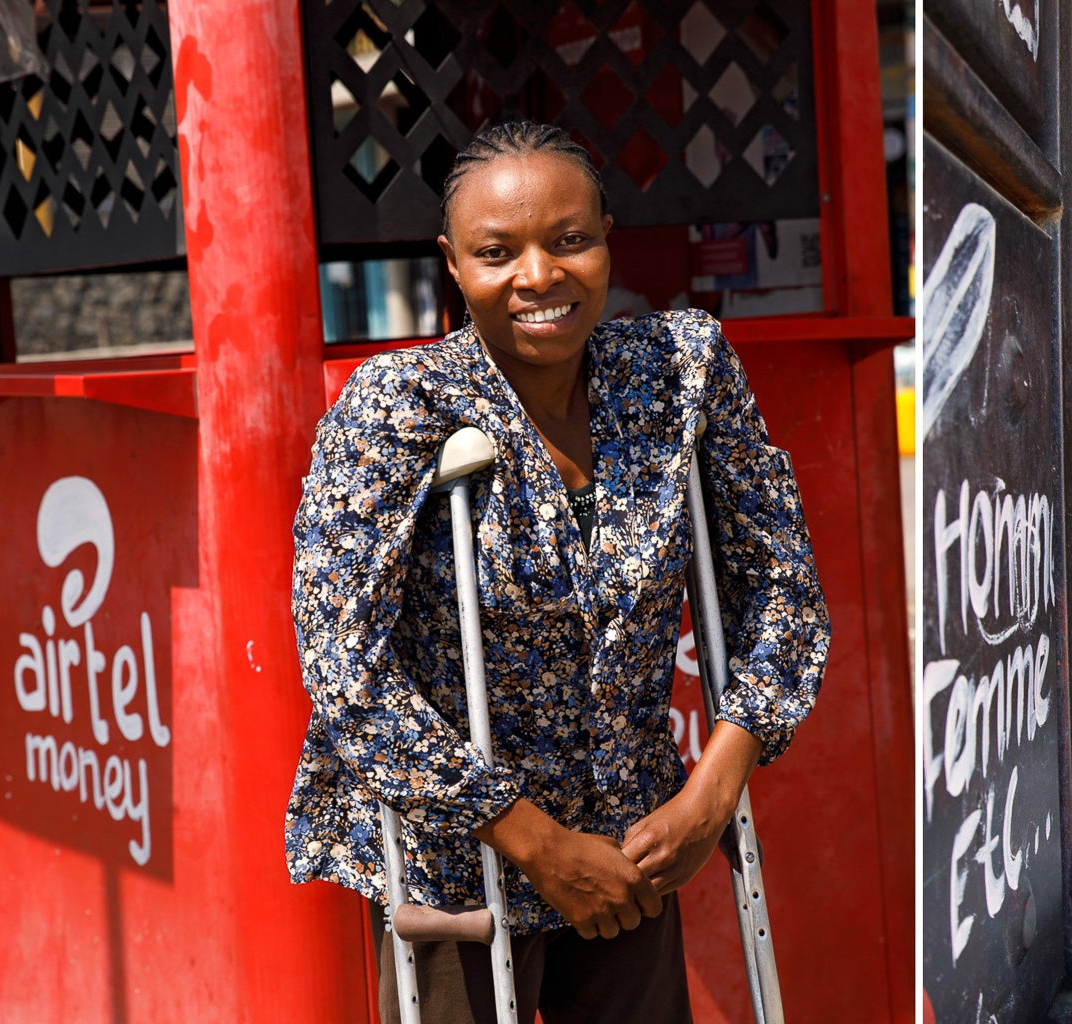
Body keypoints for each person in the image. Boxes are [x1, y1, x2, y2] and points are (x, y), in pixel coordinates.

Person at [283, 120, 830, 1022]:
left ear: (607, 234)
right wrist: (531, 839)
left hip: (634, 842)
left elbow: (781, 588)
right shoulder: (396, 406)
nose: (539, 277)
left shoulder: (678, 371)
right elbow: (345, 669)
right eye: (497, 253)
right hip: (458, 853)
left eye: (569, 240)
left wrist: (713, 789)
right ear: (453, 265)